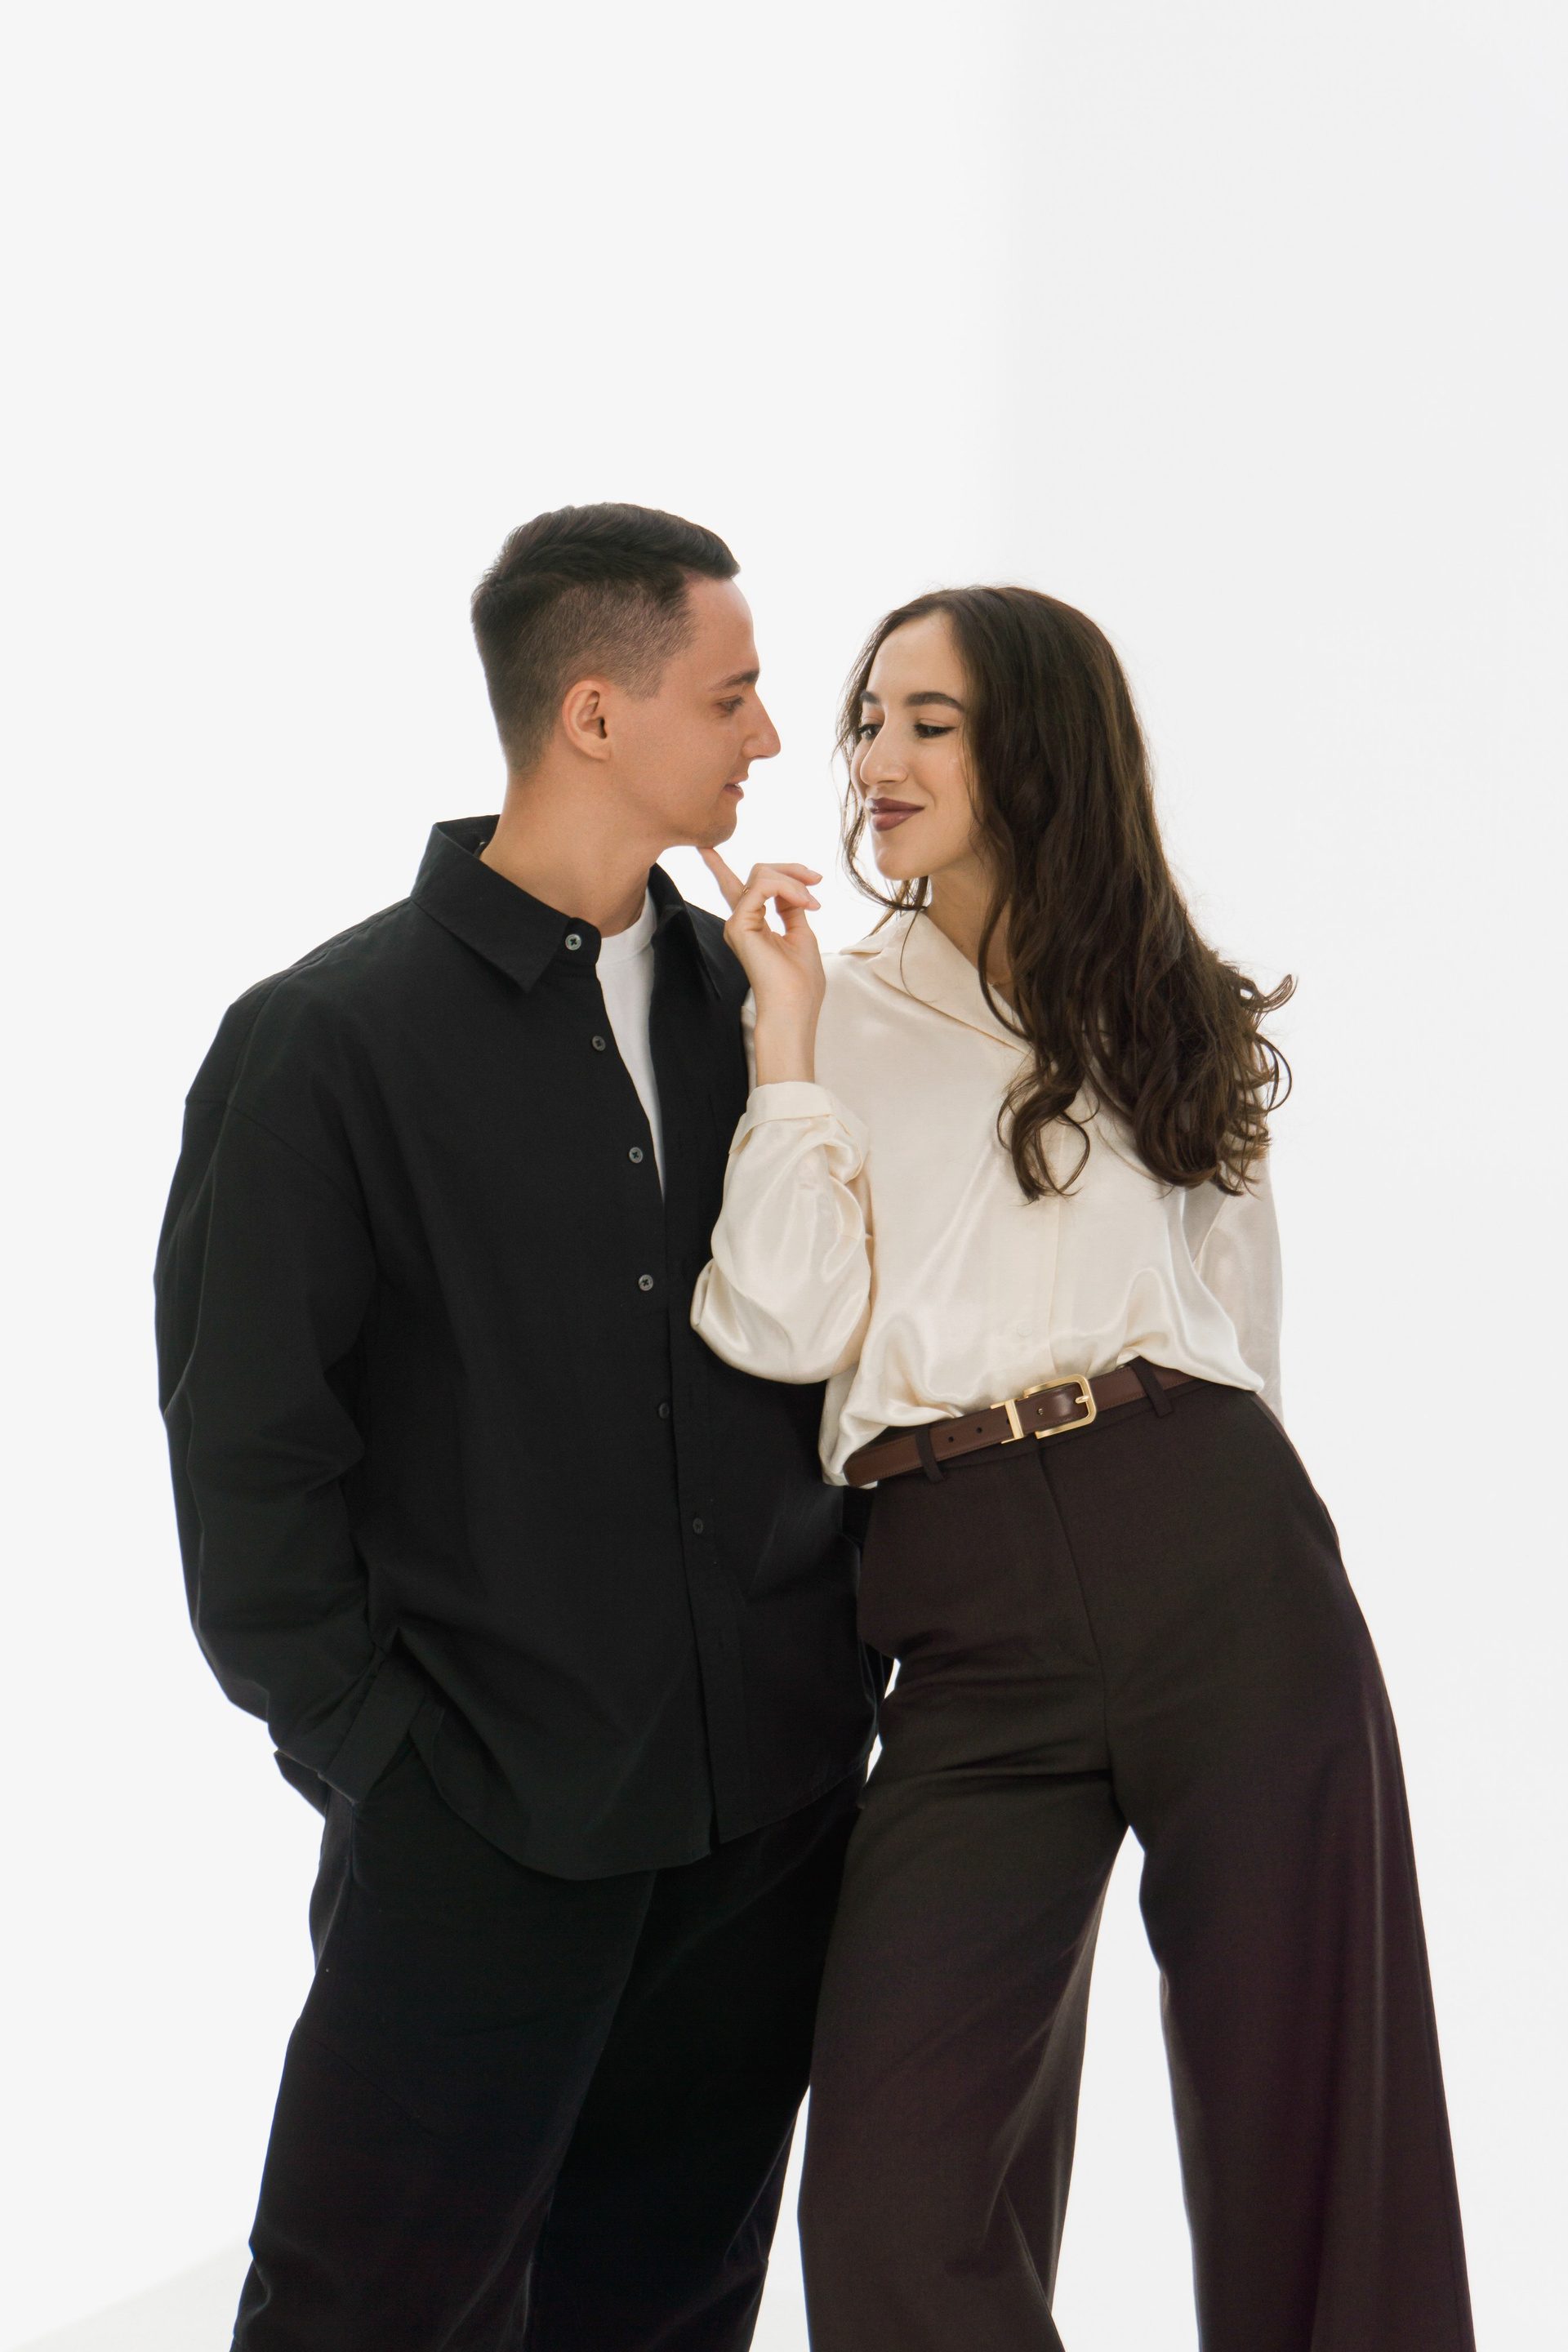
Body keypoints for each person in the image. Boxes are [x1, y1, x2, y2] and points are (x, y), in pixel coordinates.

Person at [693, 584, 1475, 2351]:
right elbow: (780, 1324)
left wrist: (1238, 1543)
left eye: (929, 723)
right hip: (960, 1608)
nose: (876, 760)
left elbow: (1240, 1325)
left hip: (1215, 1550)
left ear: (1038, 751)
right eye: (867, 722)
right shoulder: (831, 1008)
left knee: (1315, 2129)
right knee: (895, 2193)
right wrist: (787, 1044)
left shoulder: (1167, 1007)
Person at [154, 503, 877, 2352]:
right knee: (368, 2314)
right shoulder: (325, 1041)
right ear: (595, 714)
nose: (772, 735)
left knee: (673, 2310)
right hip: (480, 1816)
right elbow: (250, 1452)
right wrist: (382, 1762)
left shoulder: (755, 1008)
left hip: (765, 1811)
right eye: (734, 694)